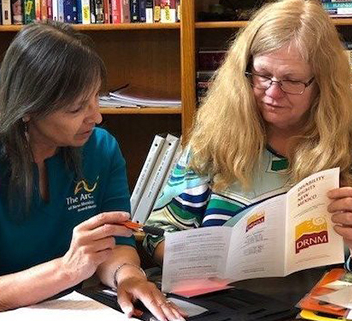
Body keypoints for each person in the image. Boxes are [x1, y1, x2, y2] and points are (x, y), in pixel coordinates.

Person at [0, 20, 185, 321]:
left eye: (96, 98)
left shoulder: (101, 149)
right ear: (28, 108)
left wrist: (127, 276)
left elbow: (116, 242)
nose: (97, 117)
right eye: (76, 109)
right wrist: (66, 270)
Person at [144, 0, 352, 267]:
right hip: (227, 300)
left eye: (291, 80)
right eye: (263, 74)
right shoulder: (215, 141)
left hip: (320, 303)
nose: (273, 93)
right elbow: (156, 236)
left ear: (322, 85)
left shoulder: (345, 144)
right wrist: (200, 260)